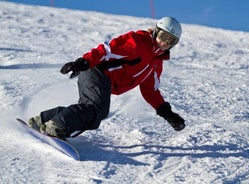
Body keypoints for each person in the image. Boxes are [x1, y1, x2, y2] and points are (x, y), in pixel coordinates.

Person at [28, 16, 186, 139]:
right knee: (96, 110)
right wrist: (85, 61)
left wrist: (167, 113)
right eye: (163, 36)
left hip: (104, 83)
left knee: (92, 113)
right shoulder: (138, 42)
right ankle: (56, 126)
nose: (165, 42)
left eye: (171, 40)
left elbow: (150, 90)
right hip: (96, 72)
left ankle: (43, 120)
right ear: (156, 31)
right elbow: (107, 49)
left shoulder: (156, 63)